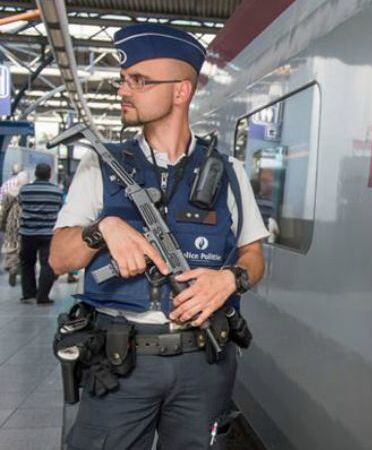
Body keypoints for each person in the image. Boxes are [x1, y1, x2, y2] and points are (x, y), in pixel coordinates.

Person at [48, 23, 269, 449]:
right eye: (123, 80)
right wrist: (103, 230)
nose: (123, 90)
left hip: (203, 365)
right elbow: (59, 258)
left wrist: (229, 279)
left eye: (139, 80)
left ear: (181, 91)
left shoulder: (231, 173)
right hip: (121, 363)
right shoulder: (101, 166)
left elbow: (253, 255)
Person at [18, 163, 62, 304]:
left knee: (27, 263)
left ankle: (29, 295)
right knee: (47, 264)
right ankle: (43, 297)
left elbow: (21, 204)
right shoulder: (56, 191)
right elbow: (60, 208)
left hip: (27, 232)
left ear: (36, 173)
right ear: (50, 175)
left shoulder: (25, 190)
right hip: (48, 234)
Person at [0, 169, 28, 286]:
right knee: (23, 247)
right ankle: (20, 269)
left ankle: (12, 268)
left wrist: (2, 223)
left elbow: (4, 209)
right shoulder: (28, 192)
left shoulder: (10, 192)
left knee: (12, 246)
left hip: (12, 222)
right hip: (26, 222)